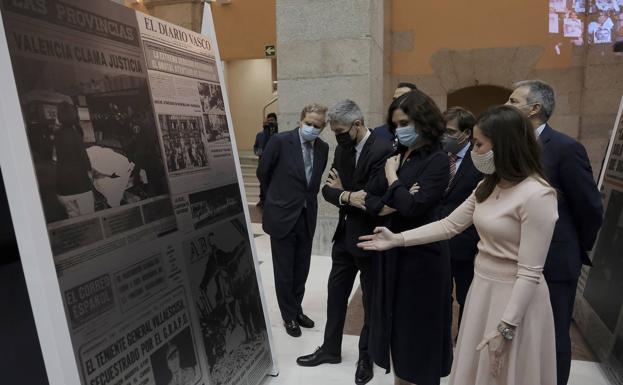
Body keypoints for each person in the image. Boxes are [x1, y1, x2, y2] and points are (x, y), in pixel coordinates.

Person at [359, 105, 560, 385]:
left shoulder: (538, 194)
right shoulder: (487, 186)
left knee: (503, 373)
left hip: (514, 299)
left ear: (503, 145)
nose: (473, 150)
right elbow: (449, 225)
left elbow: (530, 271)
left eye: (478, 144)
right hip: (482, 289)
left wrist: (506, 328)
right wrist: (398, 240)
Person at [506, 80, 603, 385]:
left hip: (555, 263)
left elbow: (589, 207)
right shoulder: (509, 148)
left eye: (512, 101)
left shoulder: (565, 148)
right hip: (513, 259)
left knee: (553, 335)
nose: (506, 106)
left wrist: (571, 246)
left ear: (534, 109)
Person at [296, 100, 393, 385]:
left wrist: (344, 193)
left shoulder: (382, 150)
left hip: (369, 237)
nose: (336, 135)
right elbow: (327, 190)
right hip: (343, 237)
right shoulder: (342, 149)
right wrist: (350, 196)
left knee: (370, 301)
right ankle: (330, 349)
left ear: (358, 124)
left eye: (340, 130)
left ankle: (366, 356)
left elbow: (375, 197)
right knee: (335, 296)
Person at [363, 90, 452, 385]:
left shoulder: (437, 160)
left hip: (421, 259)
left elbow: (413, 209)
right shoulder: (399, 154)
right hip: (391, 253)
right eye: (396, 124)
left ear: (423, 121)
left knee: (418, 336)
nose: (400, 129)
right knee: (396, 331)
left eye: (405, 122)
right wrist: (399, 192)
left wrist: (393, 178)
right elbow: (371, 200)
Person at [257, 103, 329, 337]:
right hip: (282, 215)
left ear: (323, 127)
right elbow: (263, 172)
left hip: (306, 215)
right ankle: (288, 316)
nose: (311, 128)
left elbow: (313, 183)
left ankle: (296, 309)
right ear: (300, 120)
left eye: (317, 126)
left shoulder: (323, 148)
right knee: (284, 271)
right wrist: (275, 199)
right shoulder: (280, 141)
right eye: (308, 123)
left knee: (301, 269)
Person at [440, 107, 483, 333]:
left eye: (449, 131)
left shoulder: (480, 160)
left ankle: (464, 339)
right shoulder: (439, 156)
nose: (444, 136)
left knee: (468, 297)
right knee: (439, 297)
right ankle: (442, 341)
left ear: (466, 133)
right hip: (438, 240)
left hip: (468, 244)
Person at [54, 102, 94, 217]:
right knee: (90, 219)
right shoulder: (75, 135)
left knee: (74, 220)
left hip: (63, 188)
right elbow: (85, 160)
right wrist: (90, 175)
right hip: (80, 185)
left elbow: (54, 158)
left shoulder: (56, 136)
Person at [254, 113, 278, 208]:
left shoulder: (278, 134)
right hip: (263, 162)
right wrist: (265, 129)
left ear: (276, 121)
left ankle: (270, 201)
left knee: (272, 183)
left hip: (275, 164)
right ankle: (262, 200)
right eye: (269, 120)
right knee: (262, 182)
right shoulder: (260, 135)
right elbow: (256, 147)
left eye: (273, 120)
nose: (271, 122)